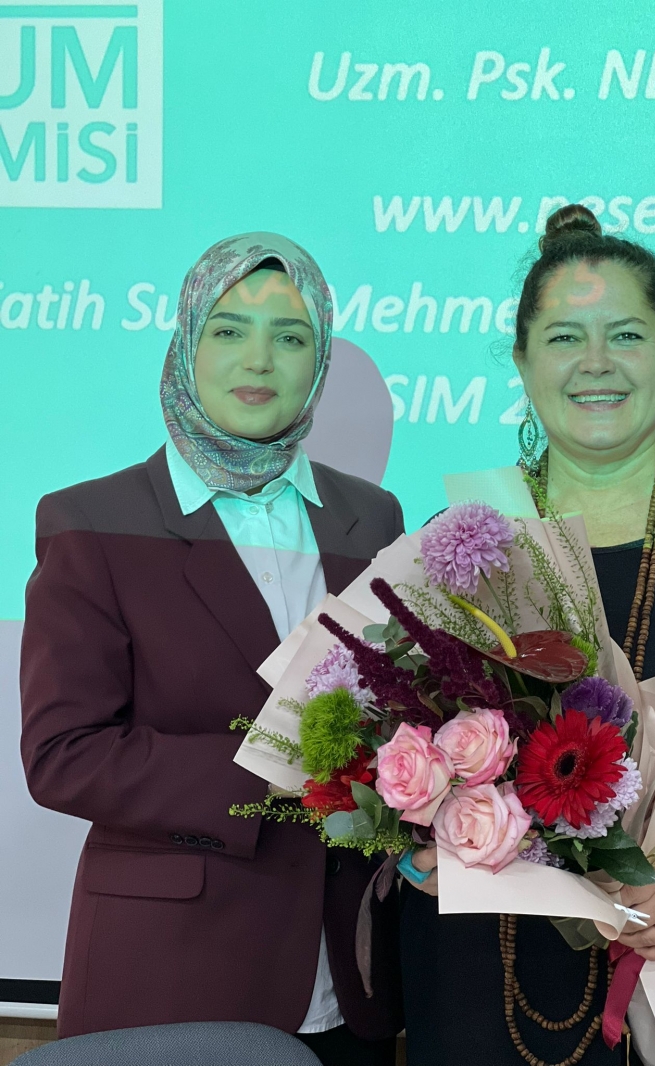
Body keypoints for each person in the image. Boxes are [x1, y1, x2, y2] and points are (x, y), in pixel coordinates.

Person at [399, 205, 655, 1065]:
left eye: (625, 335)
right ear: (521, 361)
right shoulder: (460, 545)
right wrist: (410, 844)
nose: (596, 363)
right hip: (488, 1003)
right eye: (563, 338)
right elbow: (389, 760)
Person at [20, 233, 403, 1066]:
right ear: (187, 342)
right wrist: (280, 766)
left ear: (318, 362)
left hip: (349, 975)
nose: (258, 358)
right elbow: (63, 756)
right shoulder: (94, 521)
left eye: (291, 336)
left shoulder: (371, 518)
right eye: (229, 330)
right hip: (174, 976)